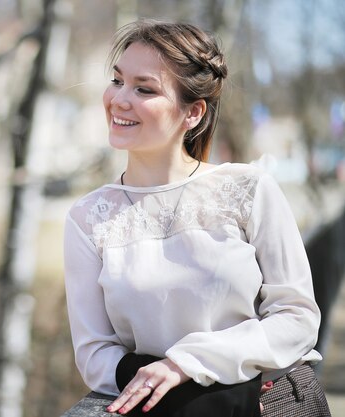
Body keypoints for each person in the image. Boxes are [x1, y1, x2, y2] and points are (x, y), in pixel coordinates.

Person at [63, 19, 332, 416]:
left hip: (270, 402)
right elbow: (94, 353)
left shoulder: (248, 189)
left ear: (193, 113)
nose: (119, 99)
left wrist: (186, 364)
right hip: (165, 407)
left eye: (144, 89)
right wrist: (160, 378)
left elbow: (296, 318)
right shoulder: (89, 218)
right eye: (118, 81)